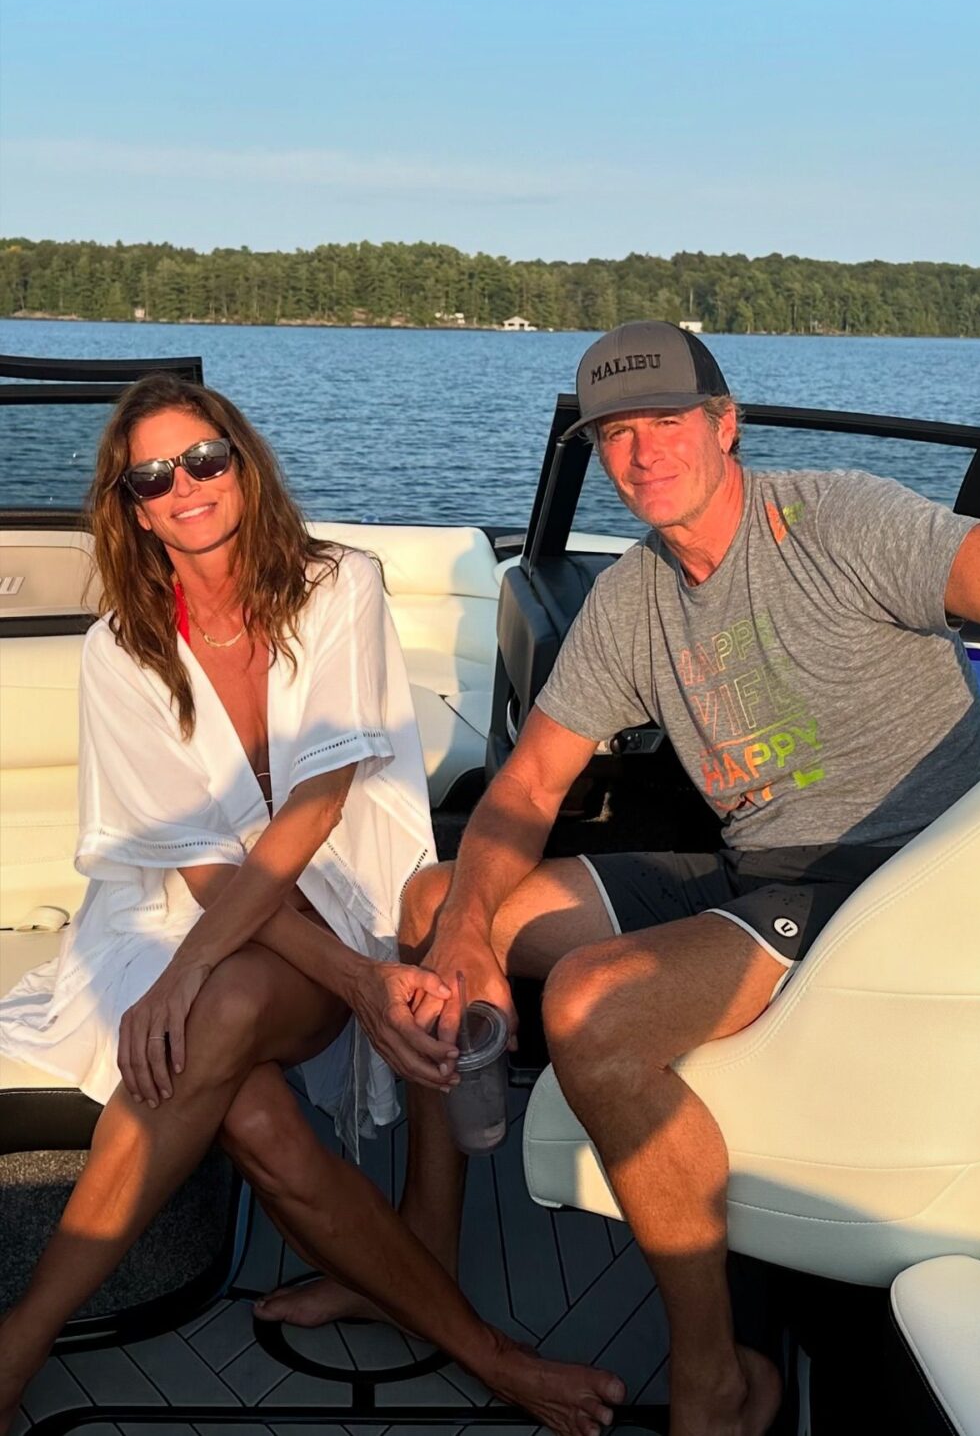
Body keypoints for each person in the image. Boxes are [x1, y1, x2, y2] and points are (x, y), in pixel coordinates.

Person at [249, 323, 980, 1436]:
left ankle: (715, 1374)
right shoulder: (635, 597)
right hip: (762, 871)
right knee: (430, 902)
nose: (643, 454)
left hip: (888, 887)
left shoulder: (835, 521)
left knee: (593, 1012)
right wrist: (465, 933)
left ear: (726, 421)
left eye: (667, 423)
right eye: (617, 435)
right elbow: (527, 784)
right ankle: (421, 1256)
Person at [0, 374, 623, 1436]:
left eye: (204, 458)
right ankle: (480, 1343)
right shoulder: (120, 648)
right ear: (132, 504)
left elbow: (322, 802)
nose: (186, 486)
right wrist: (233, 970)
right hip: (163, 912)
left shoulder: (341, 586)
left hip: (323, 890)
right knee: (239, 1091)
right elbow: (196, 867)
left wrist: (327, 976)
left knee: (223, 1007)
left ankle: (15, 1345)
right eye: (154, 475)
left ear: (241, 462)